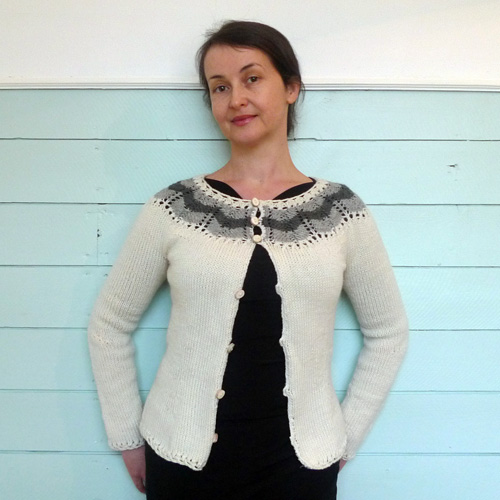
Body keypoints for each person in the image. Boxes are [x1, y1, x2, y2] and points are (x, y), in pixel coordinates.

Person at [88, 20, 408, 500]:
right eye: (219, 87)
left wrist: (346, 436)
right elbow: (109, 324)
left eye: (252, 78)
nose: (235, 98)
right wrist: (128, 438)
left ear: (291, 88)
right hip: (181, 461)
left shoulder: (340, 211)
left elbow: (388, 332)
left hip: (300, 470)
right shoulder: (174, 208)